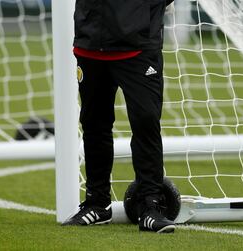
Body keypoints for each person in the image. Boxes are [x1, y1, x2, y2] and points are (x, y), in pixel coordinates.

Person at [62, 0, 176, 233]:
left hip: (138, 45)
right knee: (94, 123)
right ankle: (97, 203)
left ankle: (150, 206)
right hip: (91, 40)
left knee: (146, 122)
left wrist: (143, 13)